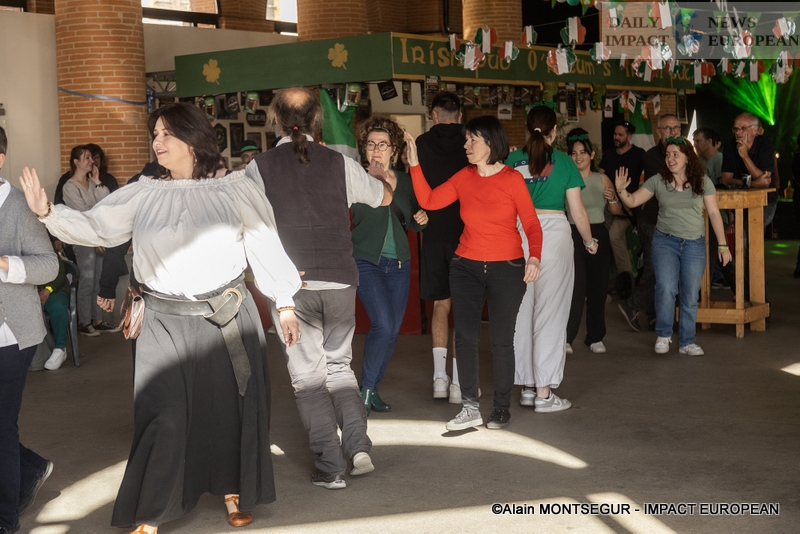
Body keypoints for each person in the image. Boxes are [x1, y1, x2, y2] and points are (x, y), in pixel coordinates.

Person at [20, 102, 302, 533]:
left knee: (228, 410)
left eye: (167, 133)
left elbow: (266, 243)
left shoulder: (235, 189)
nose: (158, 141)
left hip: (225, 317)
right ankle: (151, 512)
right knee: (163, 414)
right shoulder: (144, 191)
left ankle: (232, 491)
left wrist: (284, 303)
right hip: (162, 321)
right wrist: (47, 213)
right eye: (155, 133)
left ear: (193, 138)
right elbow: (97, 227)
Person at [246, 87, 393, 490]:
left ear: (276, 121)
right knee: (339, 368)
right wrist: (382, 177)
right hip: (341, 279)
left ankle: (330, 466)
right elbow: (382, 198)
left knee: (308, 379)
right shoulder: (340, 163)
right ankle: (358, 448)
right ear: (316, 121)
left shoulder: (259, 168)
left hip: (291, 287)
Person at [405, 115, 543, 431]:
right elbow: (429, 200)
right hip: (465, 266)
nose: (465, 145)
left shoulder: (512, 179)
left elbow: (531, 224)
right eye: (466, 139)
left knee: (501, 341)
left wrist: (534, 257)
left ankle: (501, 408)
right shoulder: (463, 177)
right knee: (465, 337)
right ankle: (469, 407)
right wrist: (414, 163)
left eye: (472, 140)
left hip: (507, 268)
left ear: (490, 143)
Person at [508, 106, 597, 413]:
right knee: (551, 313)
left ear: (526, 129)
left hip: (519, 235)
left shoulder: (511, 161)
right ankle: (544, 393)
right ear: (555, 131)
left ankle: (527, 387)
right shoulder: (564, 162)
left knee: (522, 313)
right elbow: (578, 212)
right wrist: (589, 241)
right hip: (553, 236)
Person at [615, 137, 731, 355]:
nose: (670, 158)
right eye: (668, 154)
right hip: (665, 242)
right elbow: (633, 201)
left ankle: (687, 342)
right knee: (666, 288)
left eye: (676, 154)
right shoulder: (658, 181)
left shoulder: (702, 181)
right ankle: (663, 334)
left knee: (690, 294)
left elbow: (715, 213)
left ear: (688, 157)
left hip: (694, 244)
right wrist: (621, 190)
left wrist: (723, 245)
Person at [0, 125, 59, 534]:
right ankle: (32, 467)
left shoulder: (19, 206)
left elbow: (49, 265)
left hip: (10, 334)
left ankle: (5, 519)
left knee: (2, 426)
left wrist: (5, 264)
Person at [352, 117, 427, 414]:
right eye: (371, 144)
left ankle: (371, 389)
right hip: (365, 261)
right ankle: (366, 390)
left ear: (393, 150)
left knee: (393, 329)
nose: (376, 150)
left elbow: (413, 220)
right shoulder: (356, 179)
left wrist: (422, 219)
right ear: (364, 149)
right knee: (383, 323)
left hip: (399, 264)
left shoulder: (405, 182)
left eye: (382, 145)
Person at [414, 91, 469, 403]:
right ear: (459, 114)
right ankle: (459, 384)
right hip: (466, 232)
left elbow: (414, 186)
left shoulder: (421, 144)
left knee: (440, 304)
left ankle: (439, 379)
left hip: (433, 231)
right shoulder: (470, 142)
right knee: (463, 307)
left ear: (433, 114)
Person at [618, 114, 677, 333]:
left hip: (673, 221)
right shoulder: (651, 156)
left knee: (659, 271)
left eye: (676, 128)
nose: (672, 132)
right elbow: (670, 183)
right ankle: (632, 305)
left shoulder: (686, 152)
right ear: (659, 132)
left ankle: (653, 316)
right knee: (657, 271)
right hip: (652, 221)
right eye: (667, 128)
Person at [565, 128, 620, 354]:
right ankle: (566, 339)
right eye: (574, 153)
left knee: (598, 288)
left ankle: (595, 337)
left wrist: (613, 198)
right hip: (572, 233)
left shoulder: (602, 179)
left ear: (592, 155)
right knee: (575, 288)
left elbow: (616, 210)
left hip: (598, 231)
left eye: (583, 152)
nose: (578, 157)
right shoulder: (567, 178)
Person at [60, 145, 117, 336]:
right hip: (83, 239)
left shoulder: (93, 184)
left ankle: (98, 320)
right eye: (87, 158)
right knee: (87, 280)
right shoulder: (69, 186)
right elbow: (83, 212)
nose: (91, 161)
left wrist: (98, 182)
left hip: (98, 238)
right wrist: (98, 214)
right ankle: (84, 322)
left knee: (98, 280)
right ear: (76, 162)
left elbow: (107, 203)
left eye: (91, 157)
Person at [598, 120, 646, 296]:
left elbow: (648, 178)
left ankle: (626, 283)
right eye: (615, 134)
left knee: (615, 236)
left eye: (620, 134)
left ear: (629, 136)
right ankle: (606, 280)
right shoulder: (609, 154)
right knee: (600, 237)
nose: (616, 137)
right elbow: (600, 174)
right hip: (607, 204)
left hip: (628, 206)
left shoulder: (639, 154)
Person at [39, 243, 71, 370]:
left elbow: (59, 272)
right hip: (27, 289)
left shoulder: (45, 243)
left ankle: (60, 348)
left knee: (58, 306)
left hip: (53, 287)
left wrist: (48, 290)